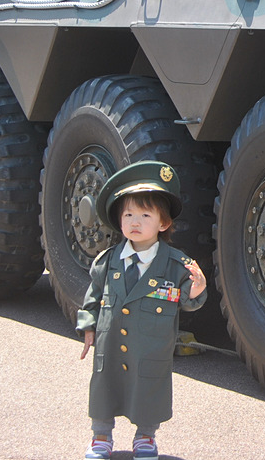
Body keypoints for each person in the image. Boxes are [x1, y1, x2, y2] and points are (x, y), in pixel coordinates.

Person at [76, 161, 207, 460]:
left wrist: (197, 288)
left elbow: (188, 300)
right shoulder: (108, 261)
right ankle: (100, 436)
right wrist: (88, 327)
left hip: (150, 347)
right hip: (110, 347)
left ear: (163, 223)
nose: (135, 221)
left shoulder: (176, 264)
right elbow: (93, 296)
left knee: (149, 389)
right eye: (128, 214)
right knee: (104, 388)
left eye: (145, 215)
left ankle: (145, 437)